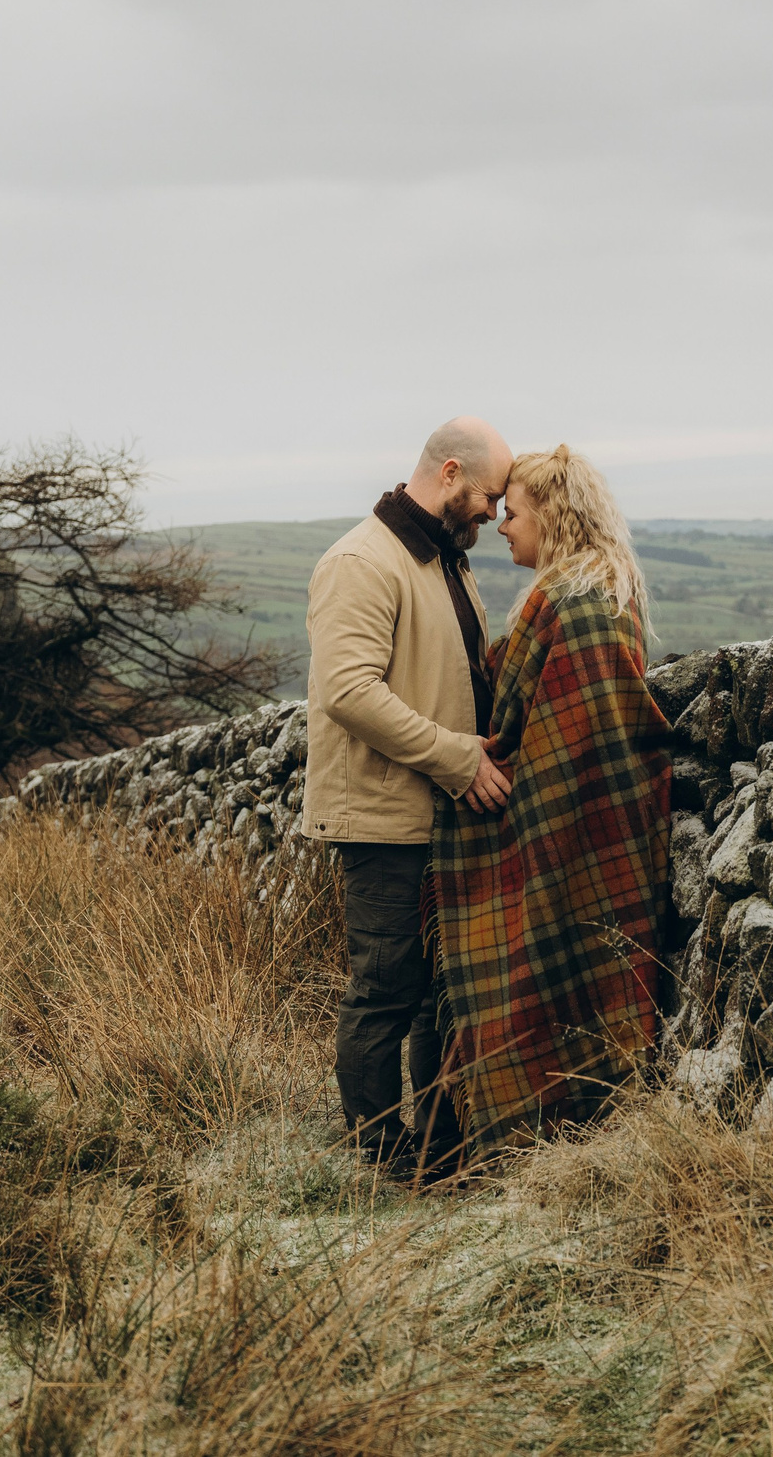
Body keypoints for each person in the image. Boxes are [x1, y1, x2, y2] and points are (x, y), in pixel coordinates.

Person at [423, 444, 670, 1163]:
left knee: (553, 970)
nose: (501, 524)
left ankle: (546, 1142)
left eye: (515, 511)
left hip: (579, 823)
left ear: (553, 516)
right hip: (573, 821)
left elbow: (578, 727)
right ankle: (557, 1141)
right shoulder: (581, 591)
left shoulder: (575, 600)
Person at [301, 416, 515, 1169]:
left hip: (435, 817)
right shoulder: (363, 560)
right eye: (490, 495)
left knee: (437, 993)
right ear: (450, 472)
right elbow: (349, 692)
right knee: (387, 987)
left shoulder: (444, 561)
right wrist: (458, 757)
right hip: (383, 817)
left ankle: (437, 1146)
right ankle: (381, 1152)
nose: (496, 511)